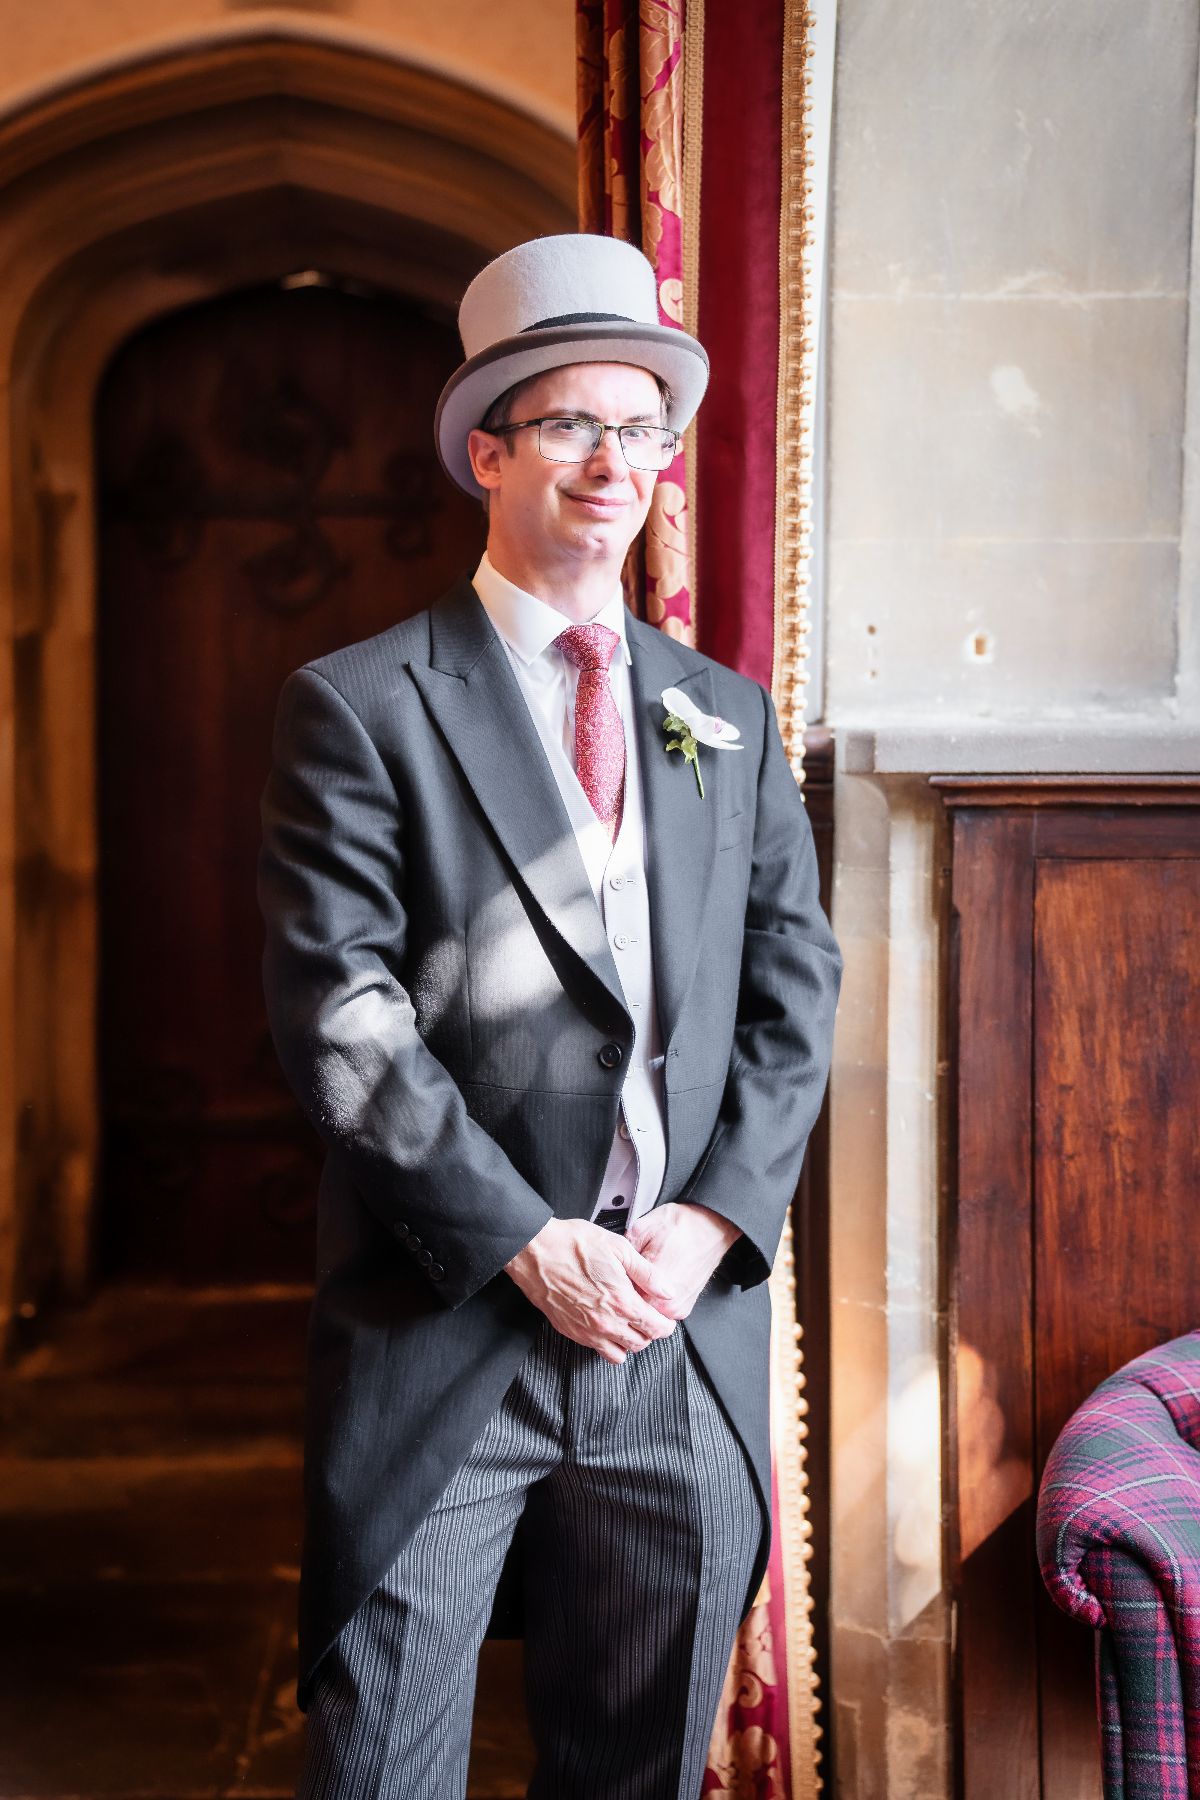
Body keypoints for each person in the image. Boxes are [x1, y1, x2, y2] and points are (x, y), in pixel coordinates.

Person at [257, 231, 843, 1800]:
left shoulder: (725, 713)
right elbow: (342, 1015)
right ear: (489, 452)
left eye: (641, 428)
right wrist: (526, 1241)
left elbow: (794, 987)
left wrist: (712, 1224)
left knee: (633, 1773)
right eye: (573, 422)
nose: (613, 462)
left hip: (676, 1328)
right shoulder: (362, 705)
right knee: (380, 1767)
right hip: (448, 1325)